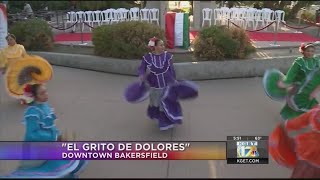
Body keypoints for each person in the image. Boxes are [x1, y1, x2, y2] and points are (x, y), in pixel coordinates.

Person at [6, 83, 88, 178]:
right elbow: (32, 134)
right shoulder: (32, 112)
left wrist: (59, 135)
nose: (46, 94)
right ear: (35, 97)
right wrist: (54, 137)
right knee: (44, 170)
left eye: (46, 91)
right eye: (42, 93)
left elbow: (50, 126)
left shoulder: (45, 106)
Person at [124, 37, 198, 131]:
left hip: (166, 86)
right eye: (161, 45)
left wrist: (174, 80)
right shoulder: (147, 58)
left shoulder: (168, 56)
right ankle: (156, 115)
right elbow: (142, 68)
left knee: (165, 104)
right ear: (154, 47)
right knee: (156, 103)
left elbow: (171, 69)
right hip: (154, 86)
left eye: (163, 45)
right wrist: (142, 75)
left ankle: (165, 122)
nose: (163, 47)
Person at [277, 43, 320, 120]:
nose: (310, 53)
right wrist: (285, 82)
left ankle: (308, 118)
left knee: (309, 102)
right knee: (295, 101)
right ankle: (291, 119)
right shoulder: (299, 62)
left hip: (310, 87)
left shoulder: (316, 61)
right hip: (299, 85)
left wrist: (315, 90)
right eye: (308, 51)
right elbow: (291, 73)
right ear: (303, 51)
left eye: (312, 51)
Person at [273, 106, 320, 178]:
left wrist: (287, 125)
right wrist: (288, 125)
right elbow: (301, 120)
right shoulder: (316, 110)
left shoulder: (315, 111)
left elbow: (300, 121)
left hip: (310, 148)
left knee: (304, 171)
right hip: (310, 149)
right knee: (305, 170)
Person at [0, 33, 29, 104]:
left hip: (21, 69)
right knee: (16, 85)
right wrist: (3, 69)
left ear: (14, 39)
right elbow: (3, 61)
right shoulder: (4, 50)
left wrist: (28, 67)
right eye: (8, 40)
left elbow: (26, 57)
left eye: (11, 39)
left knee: (23, 84)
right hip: (12, 71)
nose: (9, 41)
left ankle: (26, 97)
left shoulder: (20, 47)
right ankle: (21, 98)